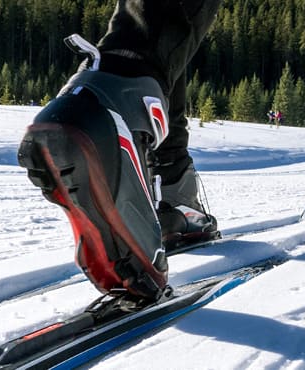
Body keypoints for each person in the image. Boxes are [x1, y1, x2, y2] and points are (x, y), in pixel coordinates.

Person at [17, 1, 221, 301]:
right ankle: (116, 98)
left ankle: (171, 189)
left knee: (167, 57)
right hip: (121, 84)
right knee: (150, 49)